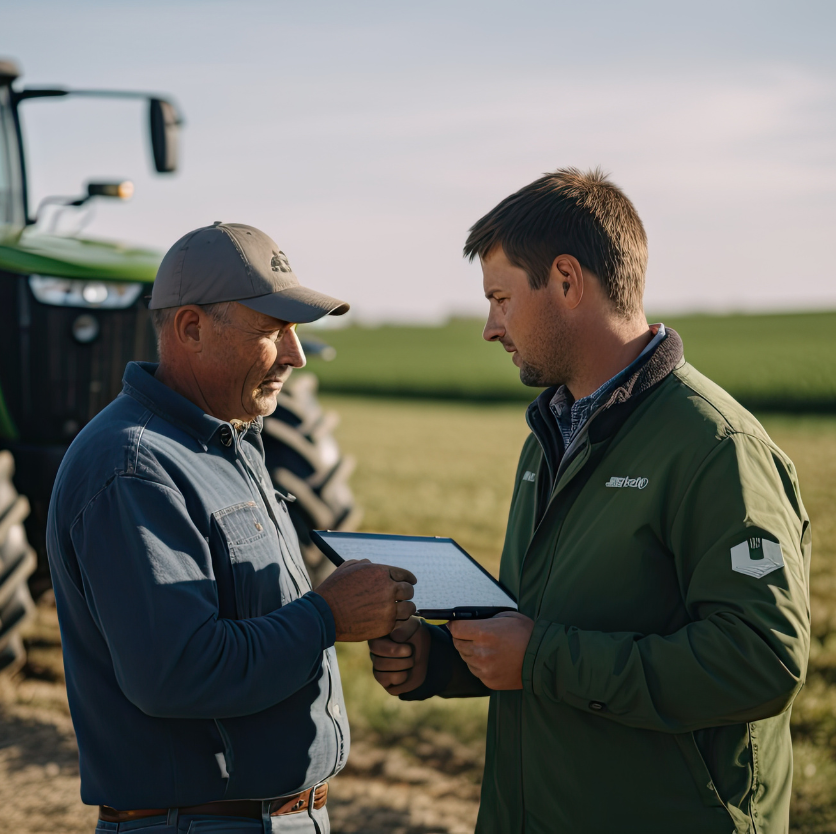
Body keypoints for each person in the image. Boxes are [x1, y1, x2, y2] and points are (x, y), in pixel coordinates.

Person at [369, 169, 811, 833]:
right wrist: (440, 662)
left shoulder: (715, 447)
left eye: (501, 298)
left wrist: (540, 657)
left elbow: (760, 662)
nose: (490, 327)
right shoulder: (551, 433)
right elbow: (551, 623)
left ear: (568, 282)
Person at [46, 222, 416, 834]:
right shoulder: (134, 467)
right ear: (190, 328)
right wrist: (326, 618)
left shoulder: (228, 443)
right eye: (273, 331)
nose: (296, 355)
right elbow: (177, 673)